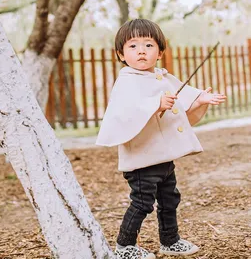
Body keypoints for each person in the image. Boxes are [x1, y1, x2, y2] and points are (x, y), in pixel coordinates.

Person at [96, 19, 226, 259]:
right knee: (142, 202)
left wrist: (199, 99)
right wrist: (155, 104)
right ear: (121, 54)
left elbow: (183, 100)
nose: (142, 51)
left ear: (160, 51)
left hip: (163, 156)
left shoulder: (160, 77)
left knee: (170, 198)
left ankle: (170, 240)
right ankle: (124, 246)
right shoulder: (127, 81)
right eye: (133, 46)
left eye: (148, 45)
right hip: (142, 159)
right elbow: (125, 112)